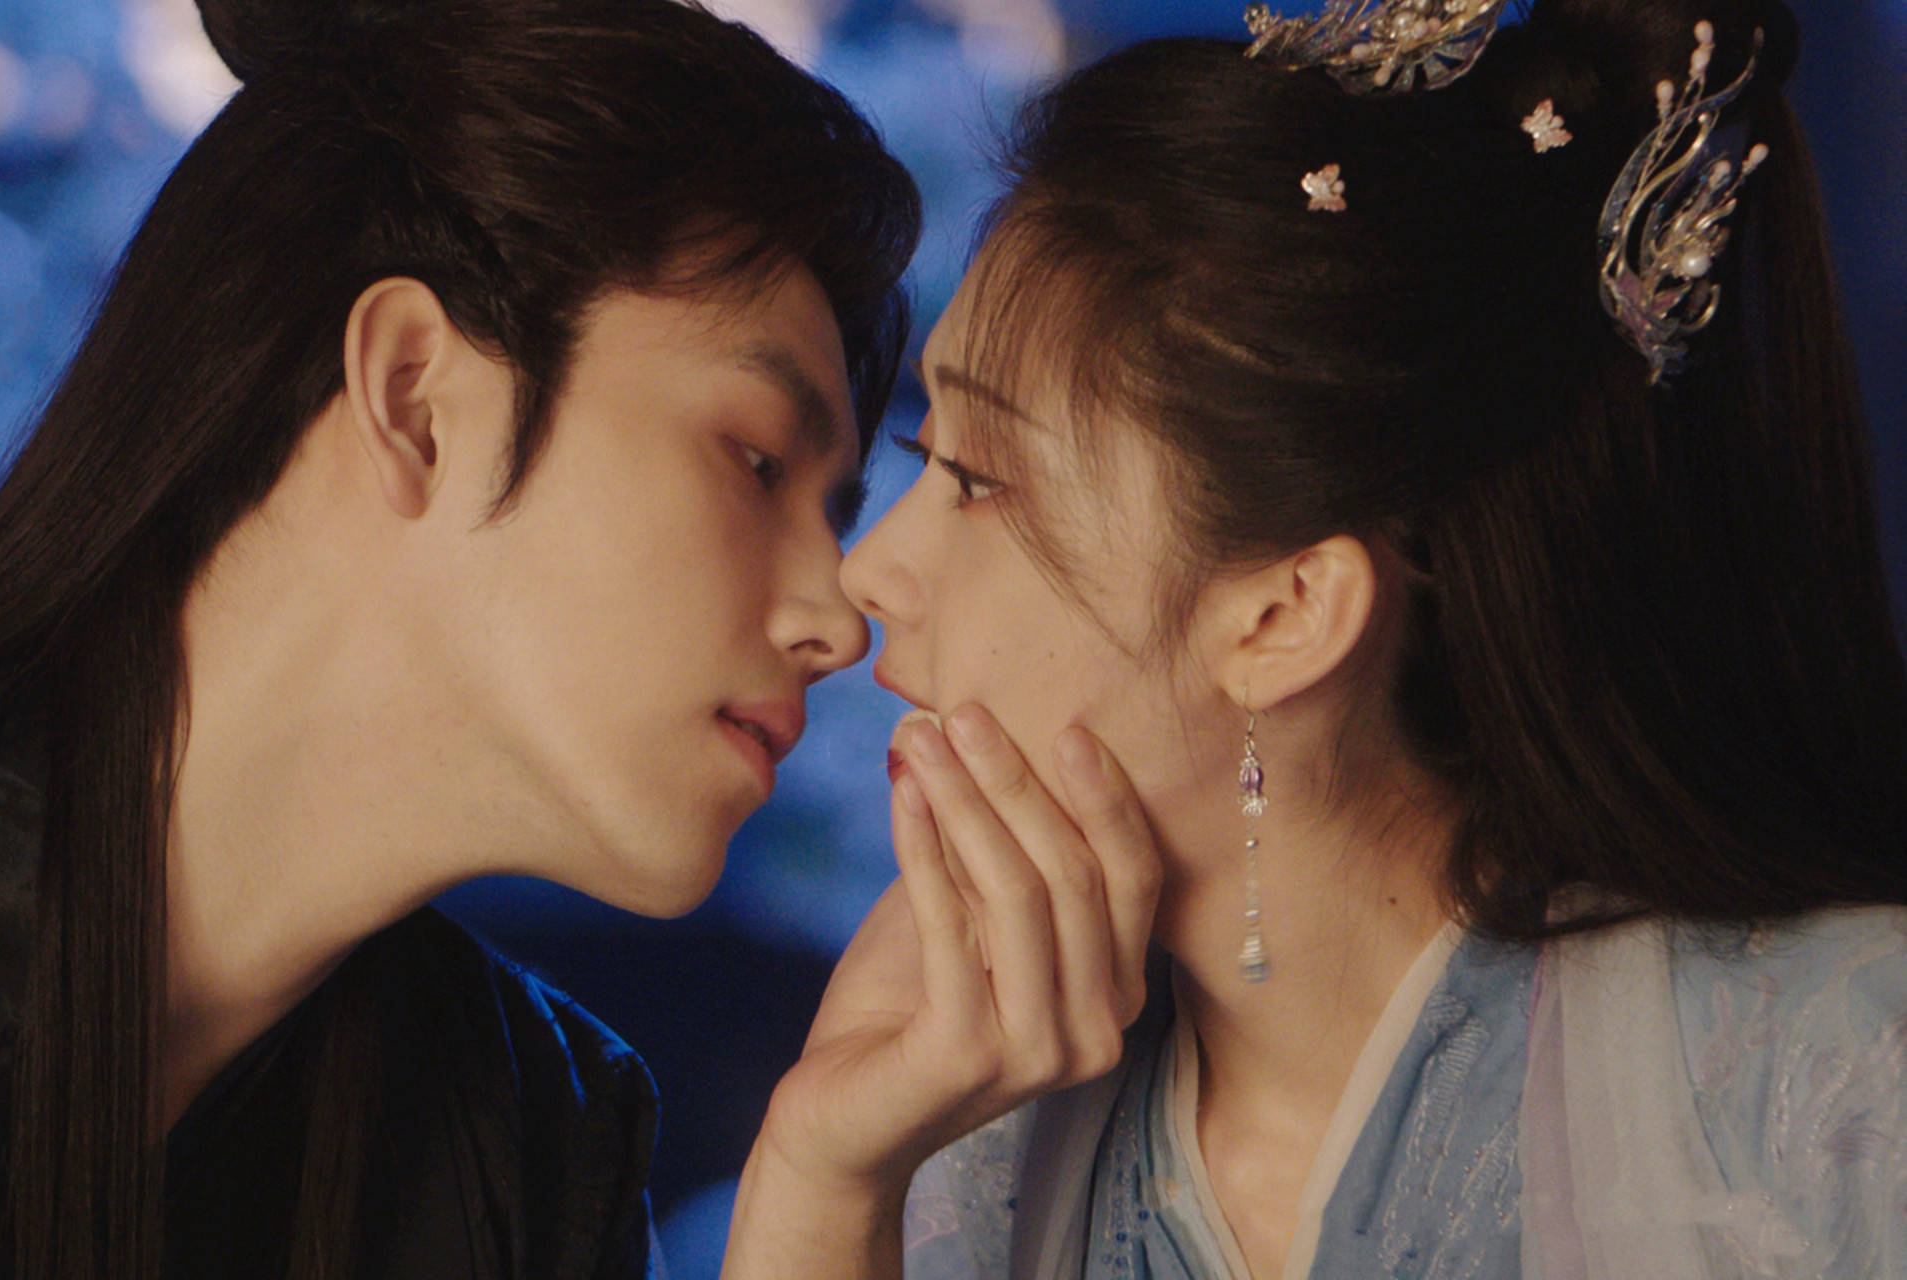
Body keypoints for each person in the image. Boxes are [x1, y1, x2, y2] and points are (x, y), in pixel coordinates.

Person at [719, 0, 1907, 1276]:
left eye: (976, 479)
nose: (870, 574)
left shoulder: (1835, 1092)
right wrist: (821, 1172)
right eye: (924, 451)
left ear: (1287, 615)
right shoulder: (960, 1137)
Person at [0, 0, 920, 1274]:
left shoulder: (539, 1150)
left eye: (834, 515)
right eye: (757, 461)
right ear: (414, 395)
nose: (837, 620)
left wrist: (825, 1196)